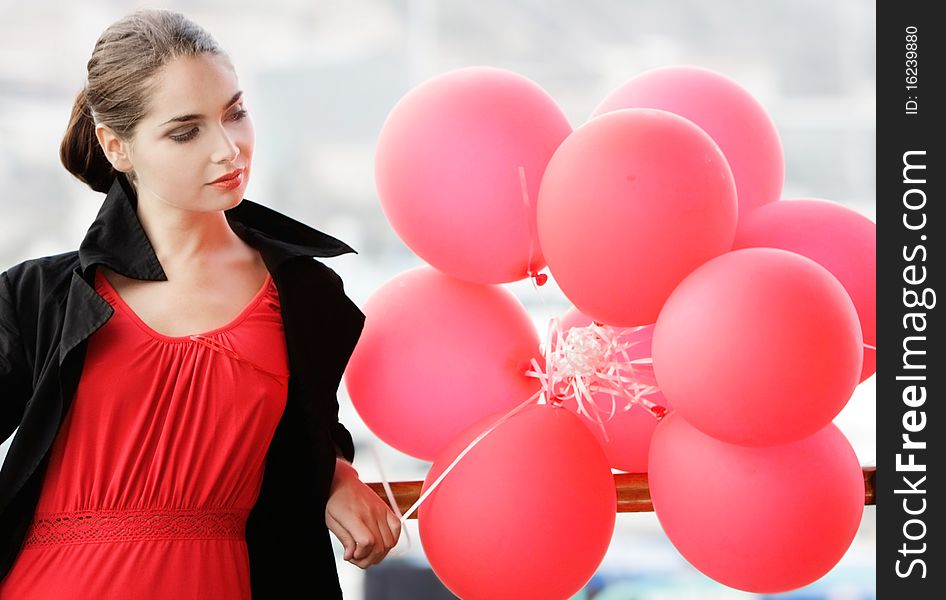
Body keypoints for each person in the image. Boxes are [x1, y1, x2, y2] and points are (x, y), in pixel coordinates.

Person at [0, 8, 400, 599]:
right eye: (186, 131)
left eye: (235, 113)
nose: (228, 148)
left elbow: (304, 428)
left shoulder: (305, 294)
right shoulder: (38, 297)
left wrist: (333, 472)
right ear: (116, 147)